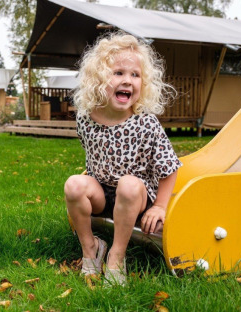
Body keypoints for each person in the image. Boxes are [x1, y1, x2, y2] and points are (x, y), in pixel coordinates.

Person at [64, 32, 181, 286]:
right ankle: (91, 250)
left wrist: (160, 206)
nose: (127, 81)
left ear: (144, 83)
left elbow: (169, 167)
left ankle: (116, 257)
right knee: (74, 183)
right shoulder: (85, 118)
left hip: (135, 197)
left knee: (128, 184)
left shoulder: (145, 123)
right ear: (98, 78)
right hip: (102, 193)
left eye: (135, 75)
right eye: (118, 73)